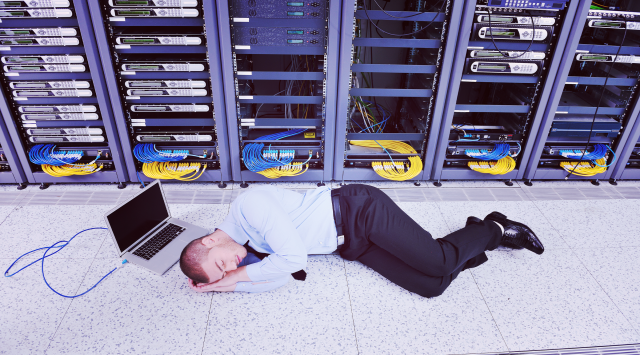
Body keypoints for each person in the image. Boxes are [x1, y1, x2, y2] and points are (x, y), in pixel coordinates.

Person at [179, 184, 544, 297]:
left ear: (209, 242)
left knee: (440, 263)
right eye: (226, 270)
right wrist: (220, 287)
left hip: (360, 211)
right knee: (431, 286)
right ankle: (470, 241)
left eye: (222, 265)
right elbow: (273, 280)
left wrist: (234, 277)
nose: (234, 266)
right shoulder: (240, 243)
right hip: (351, 244)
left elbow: (293, 260)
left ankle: (494, 229)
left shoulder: (249, 205)